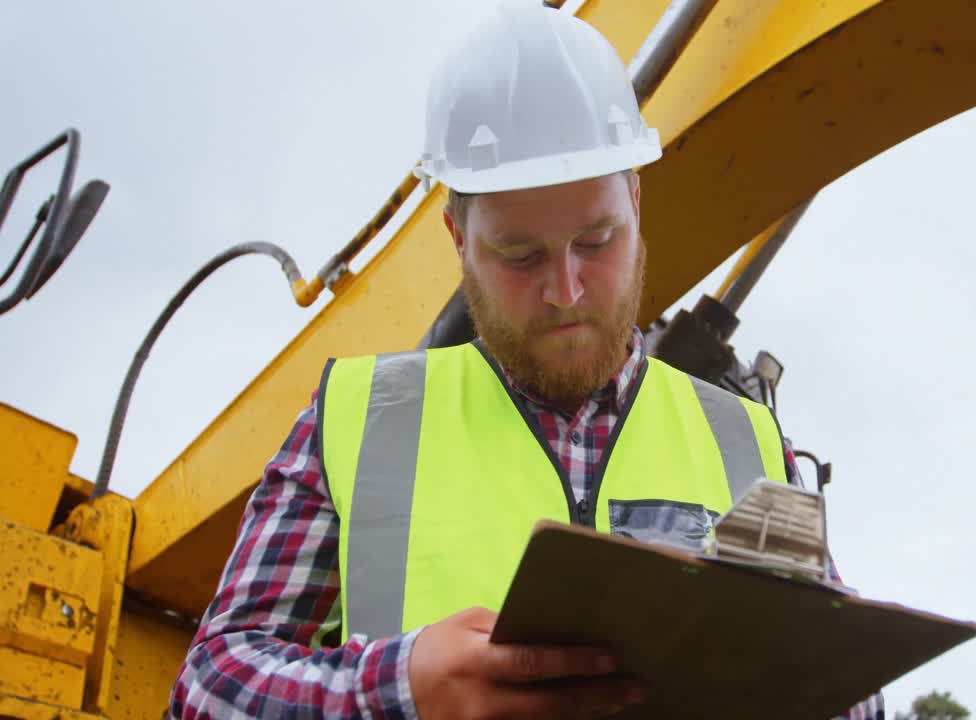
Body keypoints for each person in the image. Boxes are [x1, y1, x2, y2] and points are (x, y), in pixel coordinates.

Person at [170, 4, 884, 718]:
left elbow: (851, 695)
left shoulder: (749, 440)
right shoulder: (360, 421)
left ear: (635, 203)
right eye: (521, 255)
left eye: (597, 241)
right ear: (458, 237)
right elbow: (208, 686)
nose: (566, 289)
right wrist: (391, 692)